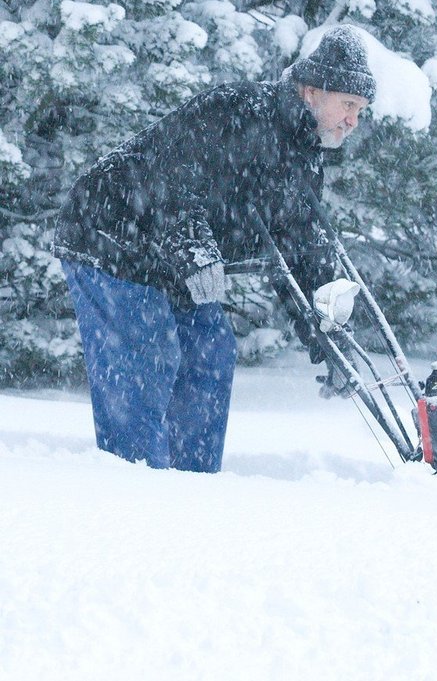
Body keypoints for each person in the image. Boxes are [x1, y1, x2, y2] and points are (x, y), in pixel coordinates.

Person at [50, 24, 373, 473]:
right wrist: (194, 248)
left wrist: (330, 338)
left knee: (211, 352)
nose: (354, 120)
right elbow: (170, 170)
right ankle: (133, 490)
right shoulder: (239, 109)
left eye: (360, 110)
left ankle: (194, 488)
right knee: (149, 352)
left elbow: (303, 247)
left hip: (166, 260)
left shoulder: (302, 153)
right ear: (312, 92)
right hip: (111, 235)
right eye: (349, 105)